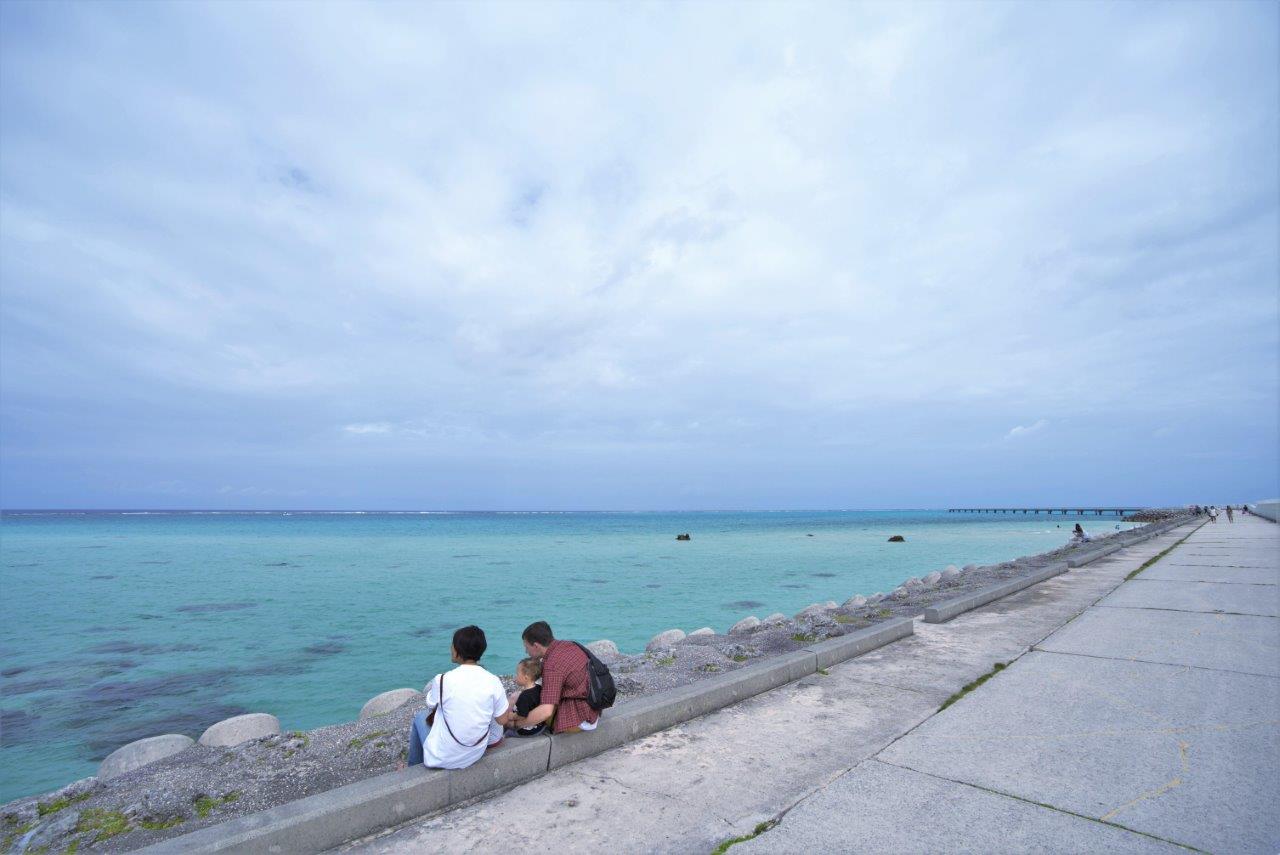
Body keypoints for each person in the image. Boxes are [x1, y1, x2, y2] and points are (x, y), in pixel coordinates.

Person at [403, 625, 511, 770]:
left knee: (420, 717)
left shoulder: (442, 680)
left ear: (457, 651)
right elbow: (502, 720)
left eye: (452, 645)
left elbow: (430, 703)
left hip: (442, 758)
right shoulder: (493, 681)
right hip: (474, 754)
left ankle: (412, 769)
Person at [515, 621, 599, 734]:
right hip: (592, 709)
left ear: (536, 646)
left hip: (581, 721)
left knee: (527, 701)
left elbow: (546, 711)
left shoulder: (552, 665)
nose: (526, 651)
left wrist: (516, 724)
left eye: (527, 647)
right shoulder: (569, 645)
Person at [507, 657, 546, 737]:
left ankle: (508, 734)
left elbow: (522, 716)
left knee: (505, 722)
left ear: (526, 677)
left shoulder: (524, 696)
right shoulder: (538, 688)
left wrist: (511, 716)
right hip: (539, 726)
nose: (515, 676)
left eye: (517, 674)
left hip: (528, 730)